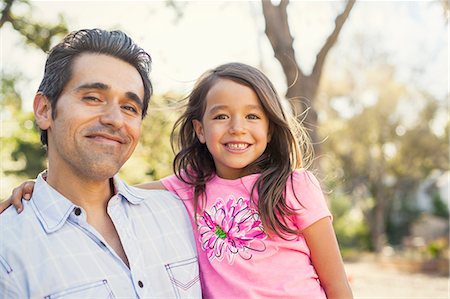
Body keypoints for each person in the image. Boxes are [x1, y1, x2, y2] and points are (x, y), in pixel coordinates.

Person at [4, 62, 352, 298]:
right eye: (220, 116)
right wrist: (43, 187)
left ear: (269, 126)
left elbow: (336, 283)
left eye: (252, 116)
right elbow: (111, 191)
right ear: (200, 129)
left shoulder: (295, 186)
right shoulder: (189, 189)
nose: (237, 128)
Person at [0, 28, 201, 298]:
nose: (115, 119)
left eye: (130, 108)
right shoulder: (8, 249)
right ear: (44, 110)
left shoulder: (179, 215)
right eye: (93, 98)